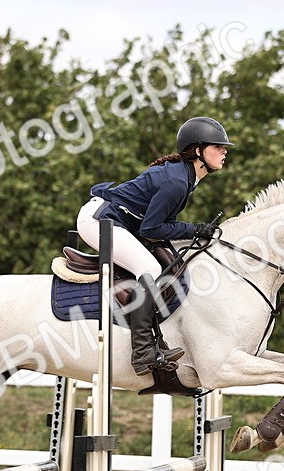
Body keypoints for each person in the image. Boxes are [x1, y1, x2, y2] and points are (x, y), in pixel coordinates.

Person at [76, 116, 232, 375]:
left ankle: (156, 338)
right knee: (148, 267)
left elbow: (159, 224)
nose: (224, 151)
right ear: (198, 151)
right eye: (217, 146)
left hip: (119, 221)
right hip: (99, 220)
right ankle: (142, 352)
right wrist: (195, 229)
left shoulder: (185, 177)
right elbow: (151, 228)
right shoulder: (177, 182)